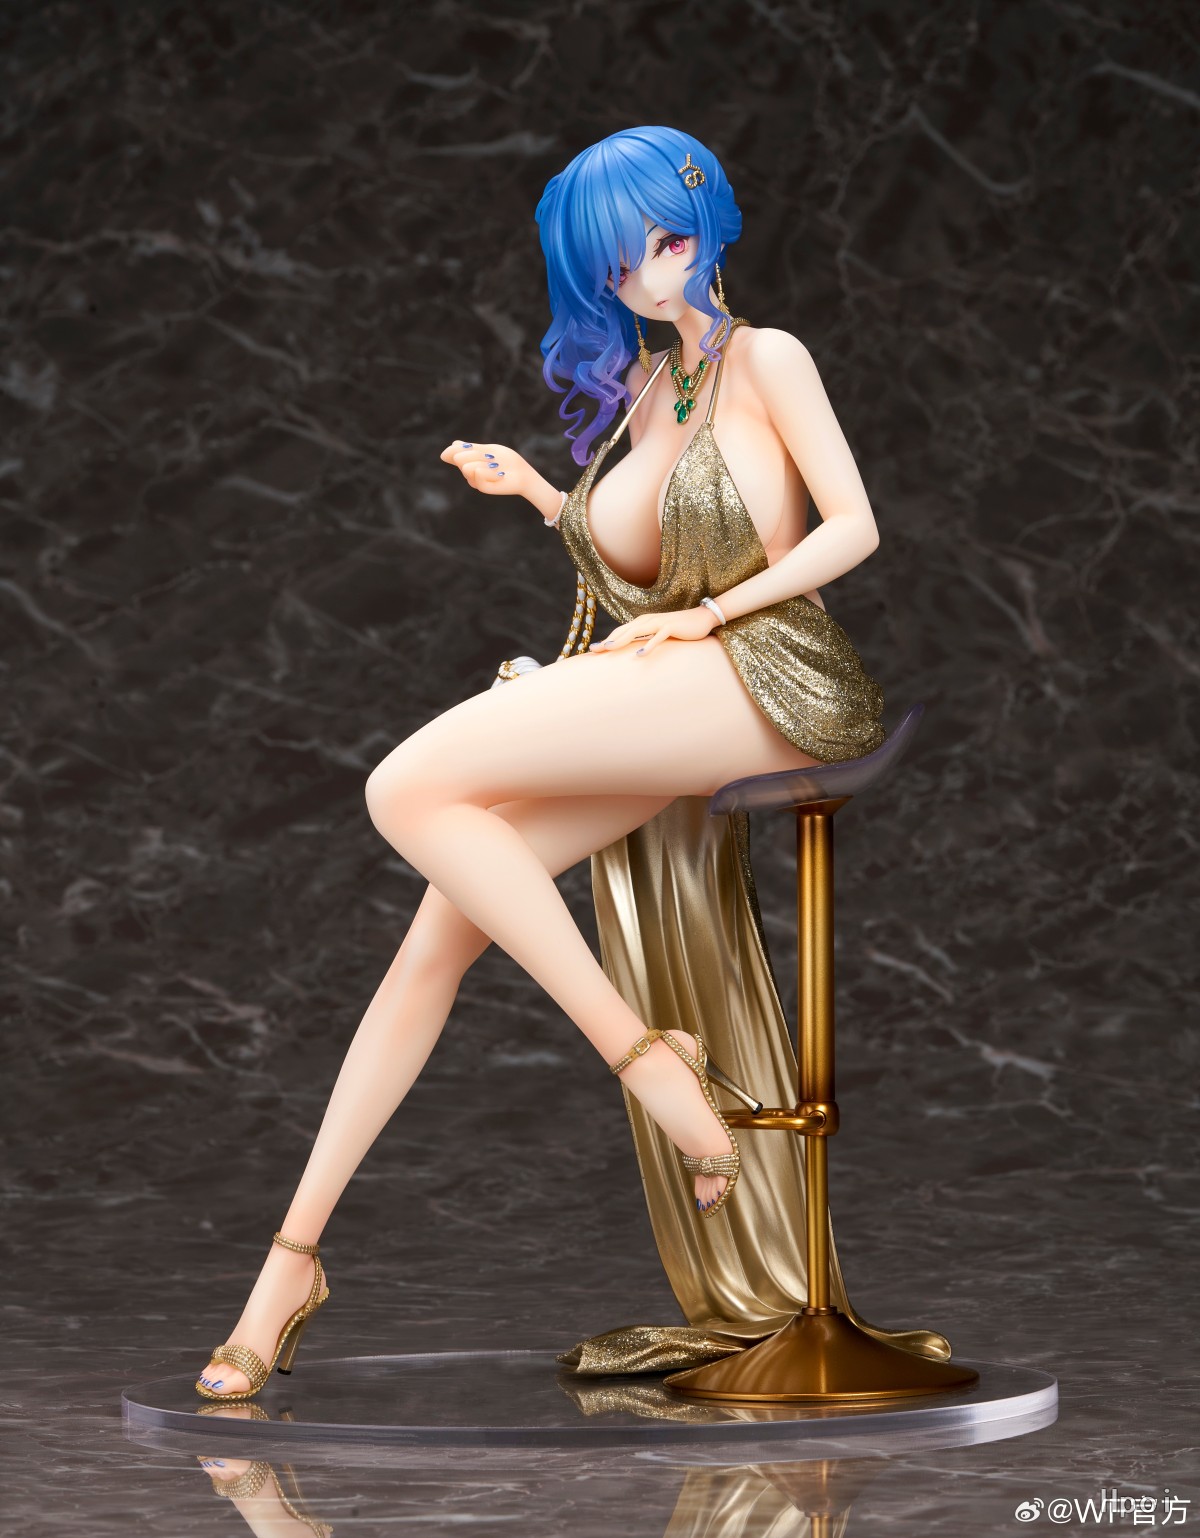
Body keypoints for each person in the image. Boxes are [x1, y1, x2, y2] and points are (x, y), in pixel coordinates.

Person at [195, 126, 950, 1400]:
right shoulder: (651, 389)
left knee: (402, 787)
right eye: (613, 265)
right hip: (674, 683)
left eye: (661, 244)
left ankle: (649, 1063)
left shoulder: (769, 357)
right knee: (435, 935)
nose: (643, 277)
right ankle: (289, 1263)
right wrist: (545, 497)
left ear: (706, 222)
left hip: (772, 677)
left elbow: (855, 526)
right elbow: (633, 577)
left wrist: (710, 617)